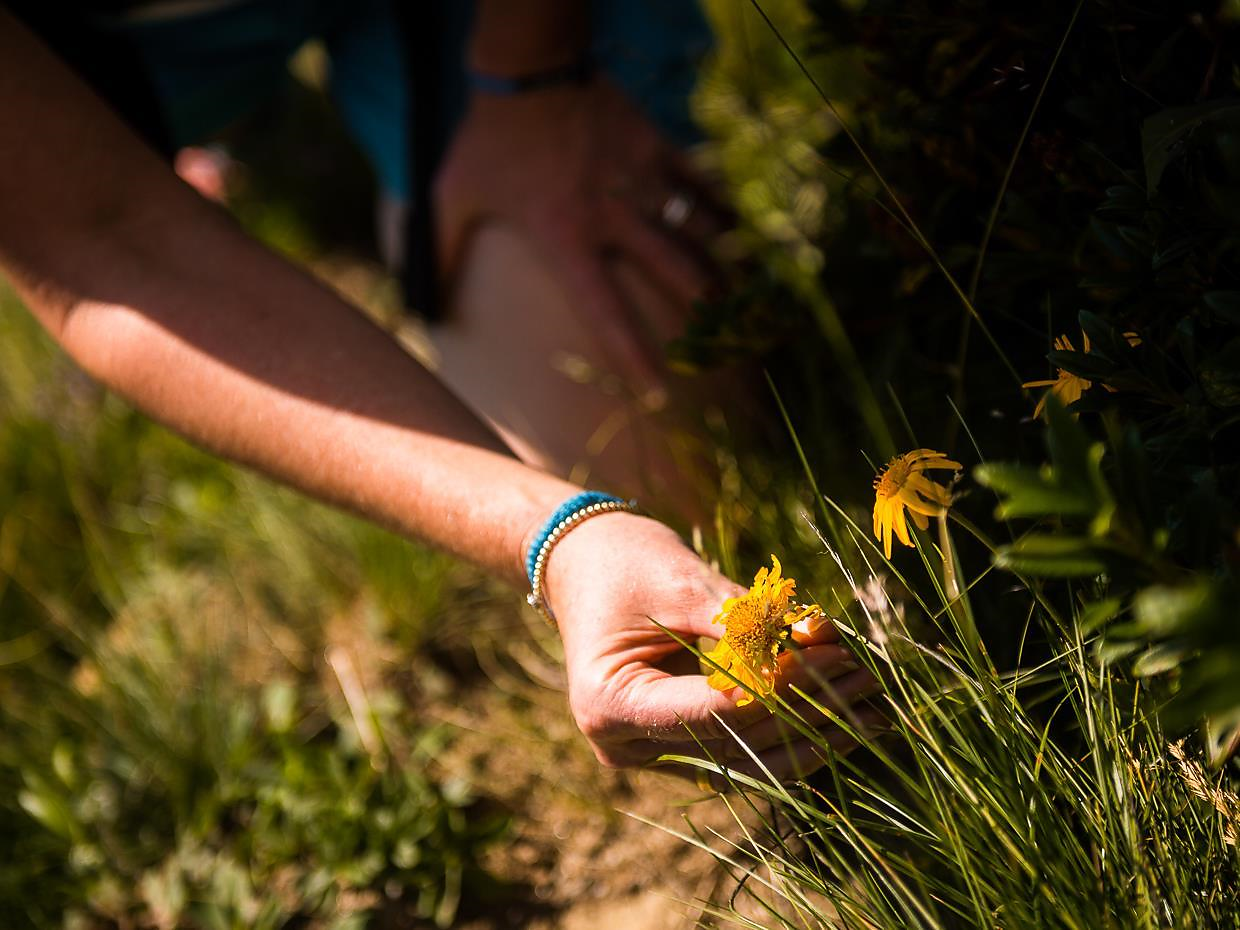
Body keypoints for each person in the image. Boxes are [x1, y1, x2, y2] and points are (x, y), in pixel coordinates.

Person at [0, 1, 872, 780]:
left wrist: (531, 85)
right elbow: (110, 251)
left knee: (659, 442)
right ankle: (243, 137)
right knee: (635, 488)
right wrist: (562, 536)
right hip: (121, 39)